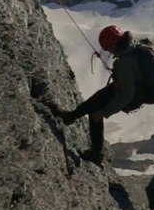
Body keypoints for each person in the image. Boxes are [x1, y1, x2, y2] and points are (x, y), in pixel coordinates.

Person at [57, 25, 143, 163]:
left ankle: (96, 152)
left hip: (131, 93)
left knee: (96, 111)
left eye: (109, 48)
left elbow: (127, 95)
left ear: (115, 44)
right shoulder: (131, 48)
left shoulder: (126, 64)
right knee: (97, 100)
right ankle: (72, 117)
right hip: (127, 86)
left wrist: (104, 112)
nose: (109, 52)